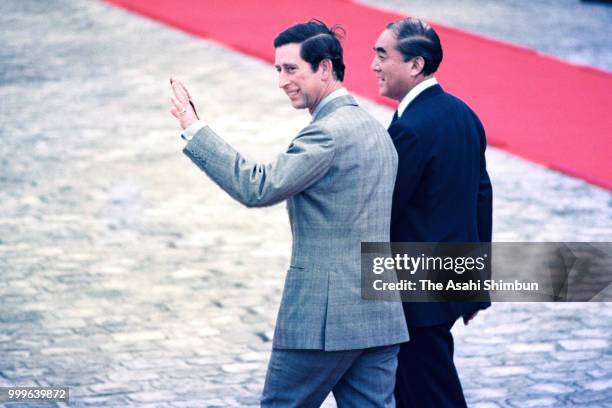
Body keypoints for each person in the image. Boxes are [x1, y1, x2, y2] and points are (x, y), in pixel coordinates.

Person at [169, 20, 408, 407]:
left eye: (291, 69)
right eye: (278, 69)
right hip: (378, 314)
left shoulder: (327, 133)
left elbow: (257, 187)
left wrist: (194, 129)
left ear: (326, 69)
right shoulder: (375, 129)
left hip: (324, 320)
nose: (281, 80)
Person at [371, 17, 493, 407]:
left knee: (429, 394)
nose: (374, 65)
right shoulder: (463, 114)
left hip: (415, 297)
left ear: (415, 65)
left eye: (382, 55)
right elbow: (481, 198)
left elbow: (385, 213)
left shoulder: (411, 128)